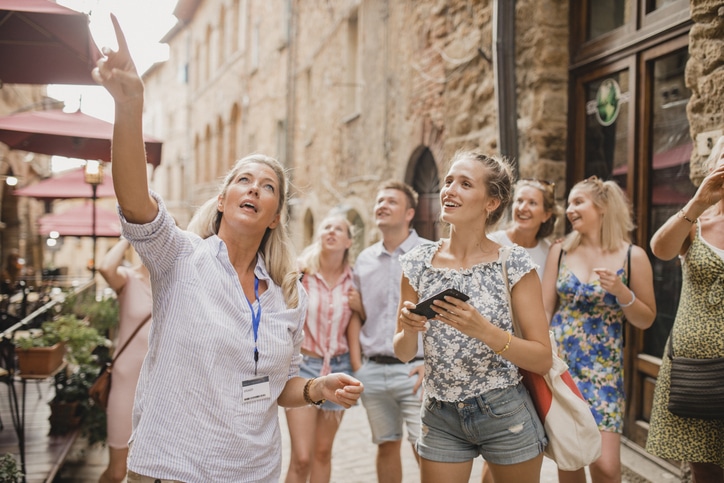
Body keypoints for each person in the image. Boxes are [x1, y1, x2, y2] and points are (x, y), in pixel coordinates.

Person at [92, 15, 363, 482]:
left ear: (276, 214)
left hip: (253, 472)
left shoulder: (284, 295)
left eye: (267, 186)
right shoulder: (179, 258)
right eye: (243, 180)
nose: (254, 189)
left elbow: (280, 387)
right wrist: (129, 106)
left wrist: (318, 388)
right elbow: (135, 200)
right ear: (222, 200)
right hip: (170, 469)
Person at [394, 150, 552, 483]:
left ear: (491, 202)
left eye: (465, 184)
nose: (449, 190)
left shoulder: (514, 263)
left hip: (505, 411)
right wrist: (409, 330)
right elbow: (404, 352)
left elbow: (542, 358)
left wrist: (483, 330)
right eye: (448, 181)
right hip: (440, 414)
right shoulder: (418, 261)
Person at [542, 176, 656, 483]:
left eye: (578, 202)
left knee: (606, 469)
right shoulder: (560, 251)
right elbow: (544, 310)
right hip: (562, 369)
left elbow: (645, 318)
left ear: (603, 207)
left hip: (603, 371)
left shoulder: (633, 256)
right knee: (570, 461)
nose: (569, 209)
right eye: (569, 203)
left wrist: (622, 293)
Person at [646, 135, 724, 483]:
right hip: (696, 371)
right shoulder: (696, 224)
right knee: (703, 466)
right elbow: (660, 249)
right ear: (712, 165)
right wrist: (697, 203)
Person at [348, 180, 428, 483]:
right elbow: (358, 315)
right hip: (374, 372)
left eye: (391, 201)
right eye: (379, 201)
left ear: (409, 213)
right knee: (385, 446)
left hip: (415, 372)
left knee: (427, 450)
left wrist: (430, 364)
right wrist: (359, 368)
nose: (382, 205)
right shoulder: (365, 260)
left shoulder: (430, 254)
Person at [285, 213, 363, 483]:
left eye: (338, 229)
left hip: (339, 368)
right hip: (304, 367)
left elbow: (360, 323)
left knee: (322, 452)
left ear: (349, 242)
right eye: (326, 226)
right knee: (301, 457)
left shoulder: (354, 281)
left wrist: (360, 307)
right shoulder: (301, 273)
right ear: (319, 235)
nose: (331, 231)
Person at [97, 237, 151, 483]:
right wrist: (129, 235)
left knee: (151, 470)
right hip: (126, 382)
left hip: (159, 386)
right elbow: (105, 268)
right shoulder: (128, 279)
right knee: (117, 471)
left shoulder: (177, 283)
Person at [488, 178, 563, 280]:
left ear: (546, 215)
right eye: (519, 201)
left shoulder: (548, 252)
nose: (522, 208)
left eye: (532, 203)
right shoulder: (492, 242)